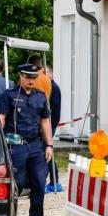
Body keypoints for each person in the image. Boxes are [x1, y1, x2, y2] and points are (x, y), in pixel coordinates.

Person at [0, 63, 53, 216]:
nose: (31, 81)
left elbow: (45, 121)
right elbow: (1, 118)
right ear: (21, 76)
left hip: (36, 145)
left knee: (39, 182)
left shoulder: (41, 96)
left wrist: (49, 144)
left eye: (34, 78)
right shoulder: (9, 95)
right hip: (16, 145)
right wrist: (0, 143)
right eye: (28, 77)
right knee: (17, 183)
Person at [44, 65, 63, 193]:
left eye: (46, 72)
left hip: (51, 124)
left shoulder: (53, 88)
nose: (44, 75)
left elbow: (52, 107)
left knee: (47, 151)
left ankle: (54, 181)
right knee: (47, 151)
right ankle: (53, 181)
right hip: (50, 123)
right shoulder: (49, 86)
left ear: (51, 73)